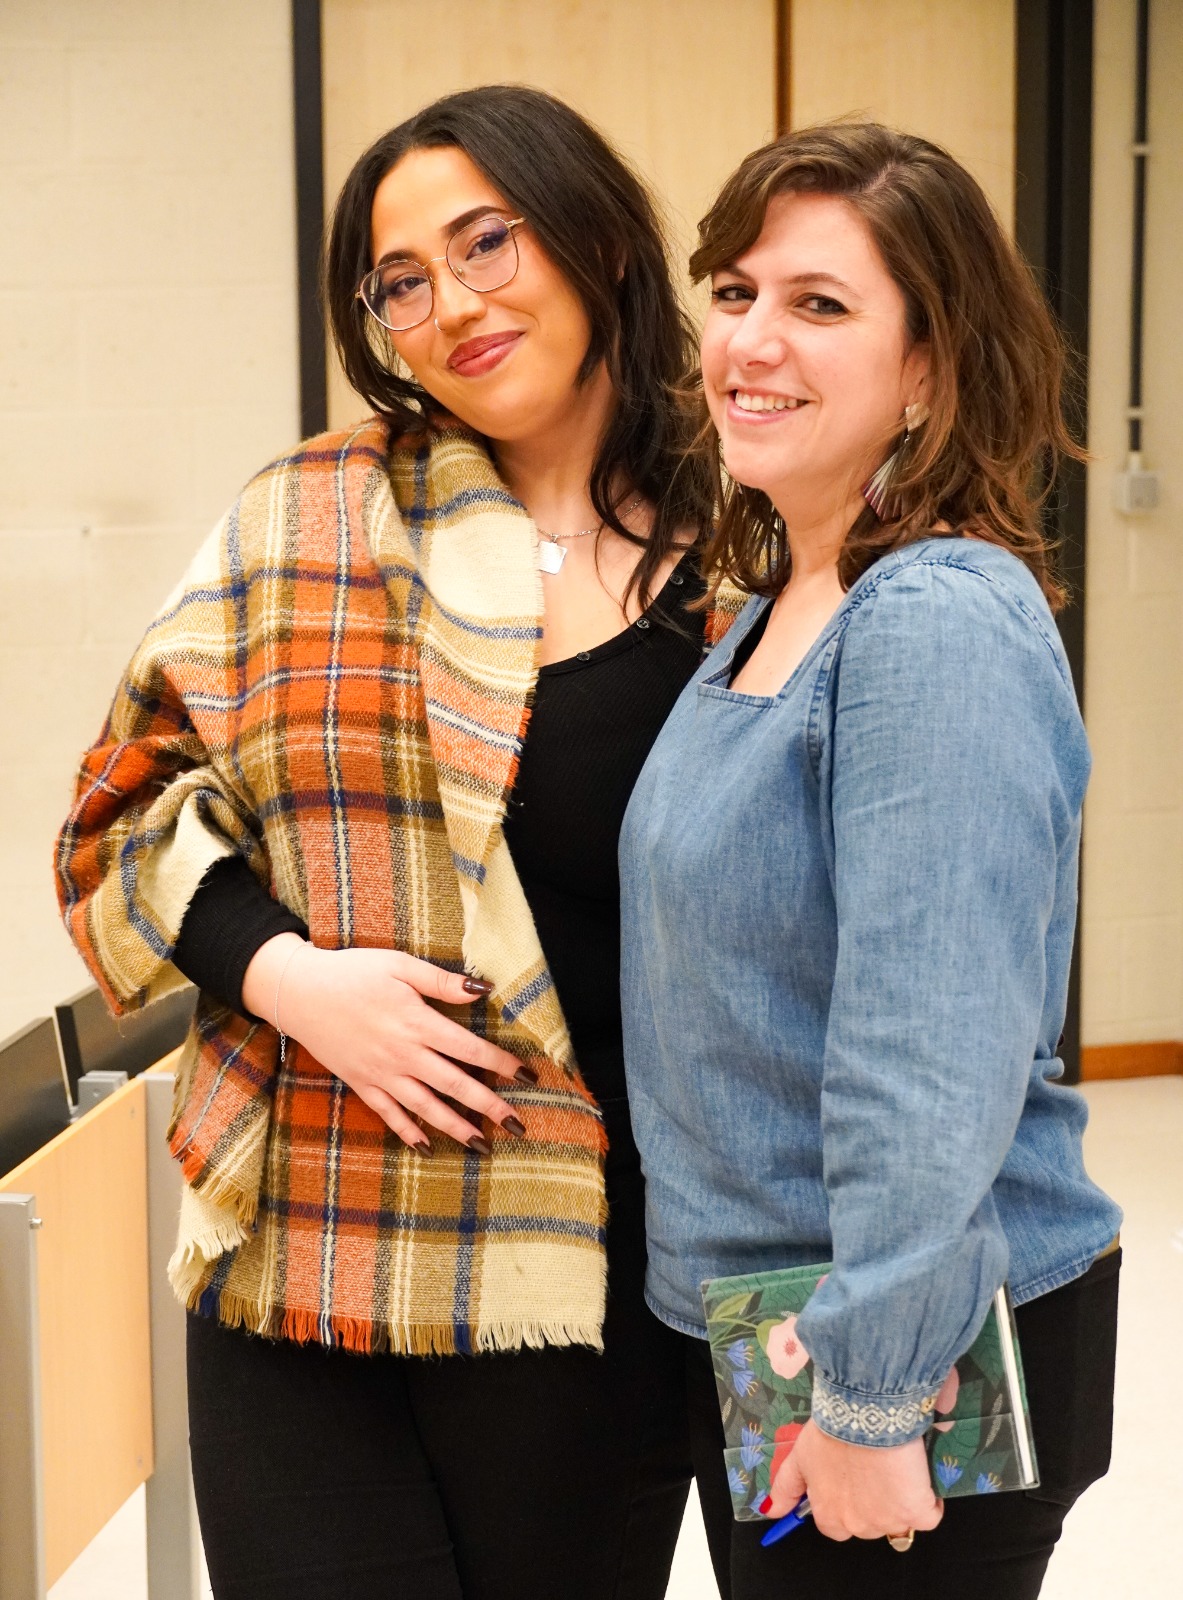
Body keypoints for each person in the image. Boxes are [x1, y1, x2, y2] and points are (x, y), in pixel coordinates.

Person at [54, 85, 745, 1600]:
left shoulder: (753, 548)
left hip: (586, 1273)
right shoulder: (307, 516)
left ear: (595, 239)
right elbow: (120, 813)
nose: (454, 306)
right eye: (402, 281)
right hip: (304, 1251)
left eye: (488, 242)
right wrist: (294, 979)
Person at [619, 122, 1123, 1600]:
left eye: (820, 304)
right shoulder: (782, 601)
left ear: (931, 369)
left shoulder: (931, 621)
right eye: (735, 292)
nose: (750, 341)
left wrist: (873, 1395)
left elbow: (928, 1049)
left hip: (901, 1347)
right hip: (777, 1327)